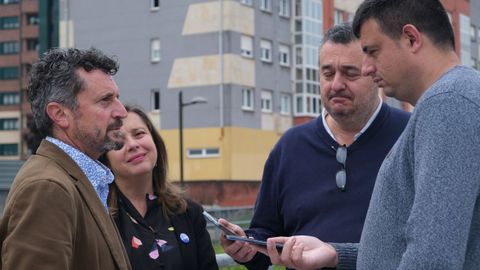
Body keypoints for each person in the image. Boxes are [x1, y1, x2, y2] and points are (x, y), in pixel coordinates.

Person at [264, 0, 480, 269]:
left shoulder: (448, 102)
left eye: (372, 51)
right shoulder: (453, 98)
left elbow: (432, 258)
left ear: (411, 39)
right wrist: (336, 253)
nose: (367, 67)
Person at [219, 23, 410, 269]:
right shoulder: (289, 147)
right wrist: (245, 248)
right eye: (328, 74)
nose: (337, 84)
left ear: (375, 74)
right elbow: (265, 237)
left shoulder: (411, 135)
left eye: (350, 73)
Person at [0, 48, 131, 269]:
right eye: (105, 100)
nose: (121, 112)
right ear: (60, 114)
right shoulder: (47, 188)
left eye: (117, 98)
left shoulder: (78, 179)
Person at [99, 105, 218, 270]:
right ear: (105, 157)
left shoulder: (189, 213)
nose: (132, 145)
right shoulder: (98, 217)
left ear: (155, 141)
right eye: (118, 140)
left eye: (139, 134)